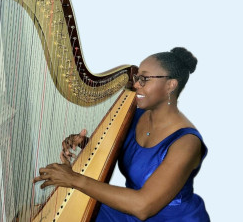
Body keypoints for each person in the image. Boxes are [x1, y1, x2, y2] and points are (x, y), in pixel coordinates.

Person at [33, 47, 210, 221]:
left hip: (161, 215)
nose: (136, 85)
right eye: (137, 77)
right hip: (130, 210)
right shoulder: (135, 114)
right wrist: (84, 143)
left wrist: (74, 179)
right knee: (31, 213)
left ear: (170, 85)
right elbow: (128, 152)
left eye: (144, 79)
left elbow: (143, 207)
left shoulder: (186, 144)